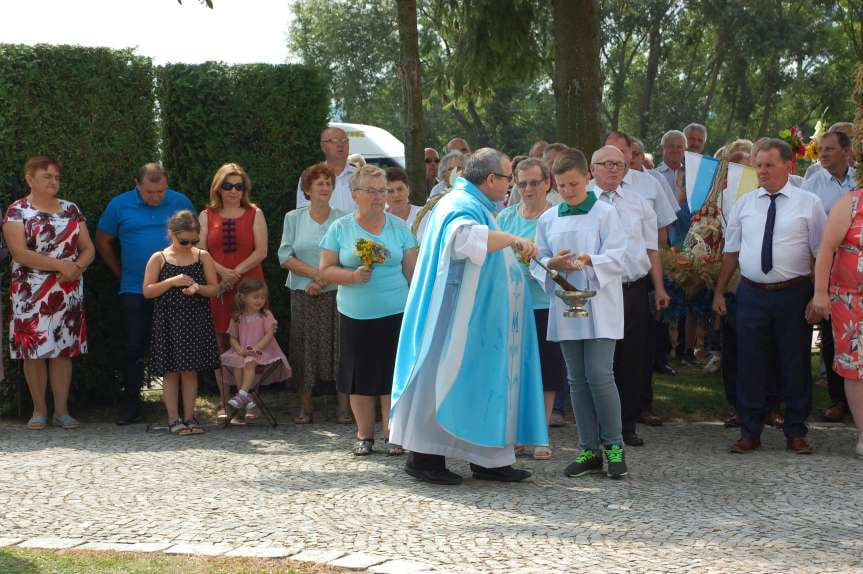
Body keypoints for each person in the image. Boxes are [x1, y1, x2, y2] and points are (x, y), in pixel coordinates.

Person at [389, 148, 548, 486]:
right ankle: (424, 457)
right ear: (491, 179)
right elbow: (463, 239)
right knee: (441, 376)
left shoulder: (479, 204)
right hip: (451, 319)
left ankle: (489, 460)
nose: (512, 186)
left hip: (480, 316)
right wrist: (512, 238)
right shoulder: (459, 204)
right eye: (508, 179)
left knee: (485, 383)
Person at [713, 139, 826, 455]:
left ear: (788, 166)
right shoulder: (745, 204)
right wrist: (720, 291)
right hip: (752, 294)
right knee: (750, 363)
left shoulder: (809, 203)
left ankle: (795, 431)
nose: (761, 171)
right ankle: (750, 431)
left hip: (794, 293)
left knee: (795, 363)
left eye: (768, 164)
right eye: (758, 165)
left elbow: (820, 252)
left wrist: (818, 294)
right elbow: (731, 252)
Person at [532, 150, 629, 478]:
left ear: (587, 177)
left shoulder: (605, 213)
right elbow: (539, 260)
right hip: (565, 305)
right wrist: (551, 265)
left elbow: (618, 256)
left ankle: (614, 446)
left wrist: (591, 260)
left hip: (599, 305)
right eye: (561, 185)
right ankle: (588, 449)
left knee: (600, 375)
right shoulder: (548, 218)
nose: (568, 191)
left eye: (573, 183)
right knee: (575, 379)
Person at [319, 164, 419, 456]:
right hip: (356, 315)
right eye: (371, 191)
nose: (378, 197)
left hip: (395, 312)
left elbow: (412, 272)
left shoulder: (400, 228)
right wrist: (351, 276)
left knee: (392, 374)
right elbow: (324, 270)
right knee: (359, 377)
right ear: (354, 194)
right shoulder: (340, 228)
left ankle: (393, 433)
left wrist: (418, 307)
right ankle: (364, 433)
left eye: (382, 191)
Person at [95, 162, 195, 425]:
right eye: (150, 191)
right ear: (136, 185)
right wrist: (120, 272)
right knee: (133, 346)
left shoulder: (180, 201)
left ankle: (183, 407)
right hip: (134, 288)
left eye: (161, 191)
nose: (156, 197)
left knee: (180, 345)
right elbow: (103, 240)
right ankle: (131, 404)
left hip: (176, 287)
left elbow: (195, 238)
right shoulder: (120, 205)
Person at [3, 156, 94, 430]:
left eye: (56, 177)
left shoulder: (71, 209)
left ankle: (62, 411)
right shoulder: (17, 211)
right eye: (47, 177)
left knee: (62, 350)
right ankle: (39, 410)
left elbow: (88, 247)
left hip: (67, 289)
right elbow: (20, 252)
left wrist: (77, 266)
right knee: (34, 351)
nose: (54, 181)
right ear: (30, 179)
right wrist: (61, 266)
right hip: (29, 291)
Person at [590, 146, 670, 446]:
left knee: (633, 357)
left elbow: (652, 249)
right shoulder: (582, 202)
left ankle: (627, 425)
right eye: (607, 164)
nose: (613, 169)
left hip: (632, 288)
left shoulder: (638, 203)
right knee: (600, 359)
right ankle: (597, 424)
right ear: (592, 168)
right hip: (597, 290)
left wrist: (659, 287)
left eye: (619, 164)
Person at [497, 157, 566, 460]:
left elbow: (562, 261)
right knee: (512, 370)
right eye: (522, 183)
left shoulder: (557, 217)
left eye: (534, 182)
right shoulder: (505, 218)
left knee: (546, 371)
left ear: (548, 183)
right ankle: (514, 435)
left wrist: (540, 262)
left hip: (544, 303)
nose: (528, 189)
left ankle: (540, 434)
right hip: (510, 305)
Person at [279, 163, 350, 424]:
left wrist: (322, 281)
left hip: (336, 293)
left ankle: (344, 409)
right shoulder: (293, 218)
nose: (324, 187)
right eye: (318, 183)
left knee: (340, 347)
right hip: (302, 294)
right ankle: (306, 408)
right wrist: (314, 276)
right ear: (307, 190)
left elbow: (346, 257)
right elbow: (284, 256)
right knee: (304, 348)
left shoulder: (343, 219)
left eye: (328, 183)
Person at [198, 163, 267, 422]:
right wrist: (222, 273)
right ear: (218, 187)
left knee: (253, 342)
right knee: (222, 342)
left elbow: (261, 251)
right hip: (219, 286)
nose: (234, 191)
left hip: (250, 286)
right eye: (228, 186)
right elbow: (201, 252)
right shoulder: (207, 215)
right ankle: (225, 400)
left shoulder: (254, 213)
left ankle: (250, 400)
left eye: (239, 186)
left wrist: (235, 272)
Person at [143, 210, 221, 436]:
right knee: (170, 371)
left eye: (193, 241)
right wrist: (171, 281)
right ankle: (173, 418)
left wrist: (198, 288)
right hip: (168, 319)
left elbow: (214, 289)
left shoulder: (202, 256)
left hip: (195, 318)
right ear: (171, 233)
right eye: (183, 240)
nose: (188, 245)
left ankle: (189, 416)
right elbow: (147, 291)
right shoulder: (159, 257)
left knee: (190, 370)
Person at [801, 131, 858, 423]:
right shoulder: (812, 186)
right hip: (830, 270)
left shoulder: (858, 179)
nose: (822, 154)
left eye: (830, 149)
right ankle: (839, 399)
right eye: (820, 149)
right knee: (834, 337)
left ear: (847, 152)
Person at [811, 185, 863, 458]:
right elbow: (827, 249)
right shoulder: (851, 203)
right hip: (851, 300)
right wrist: (820, 293)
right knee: (856, 366)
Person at [223, 277, 291, 410]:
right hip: (243, 351)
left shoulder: (266, 315)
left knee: (249, 361)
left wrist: (256, 348)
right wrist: (239, 350)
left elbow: (269, 334)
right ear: (243, 297)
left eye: (262, 297)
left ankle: (241, 395)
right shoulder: (237, 316)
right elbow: (232, 338)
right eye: (256, 297)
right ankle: (245, 396)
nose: (260, 300)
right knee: (237, 361)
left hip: (264, 351)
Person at [296, 126, 357, 212]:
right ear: (323, 147)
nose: (340, 144)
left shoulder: (361, 176)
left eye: (344, 140)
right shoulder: (311, 176)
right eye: (334, 141)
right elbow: (303, 213)